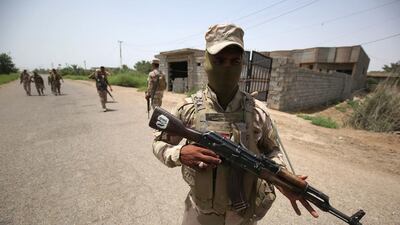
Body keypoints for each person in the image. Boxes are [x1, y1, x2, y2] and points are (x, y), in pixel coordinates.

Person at [152, 24, 319, 225]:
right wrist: (180, 154)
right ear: (206, 61)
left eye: (234, 61)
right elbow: (158, 144)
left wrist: (283, 179)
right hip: (199, 214)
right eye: (219, 60)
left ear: (242, 63)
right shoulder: (187, 108)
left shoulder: (257, 111)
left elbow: (272, 151)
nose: (227, 67)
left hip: (243, 217)